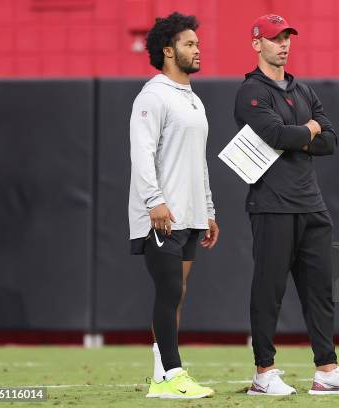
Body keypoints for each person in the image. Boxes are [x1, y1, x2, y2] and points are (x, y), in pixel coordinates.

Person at [233, 14, 339, 396]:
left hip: (311, 204)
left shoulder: (304, 89)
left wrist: (302, 135)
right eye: (276, 38)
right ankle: (264, 374)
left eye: (287, 37)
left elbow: (330, 140)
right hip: (271, 204)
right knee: (269, 291)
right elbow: (276, 133)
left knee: (319, 291)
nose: (284, 44)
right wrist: (308, 130)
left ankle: (327, 372)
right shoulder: (252, 92)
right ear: (256, 43)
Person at [128, 11, 219, 399]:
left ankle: (164, 375)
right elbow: (142, 153)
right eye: (189, 44)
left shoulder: (193, 101)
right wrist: (154, 201)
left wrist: (209, 210)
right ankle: (170, 375)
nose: (197, 50)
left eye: (197, 43)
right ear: (168, 51)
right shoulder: (153, 95)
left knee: (177, 292)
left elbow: (199, 161)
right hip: (162, 215)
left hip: (191, 214)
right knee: (168, 292)